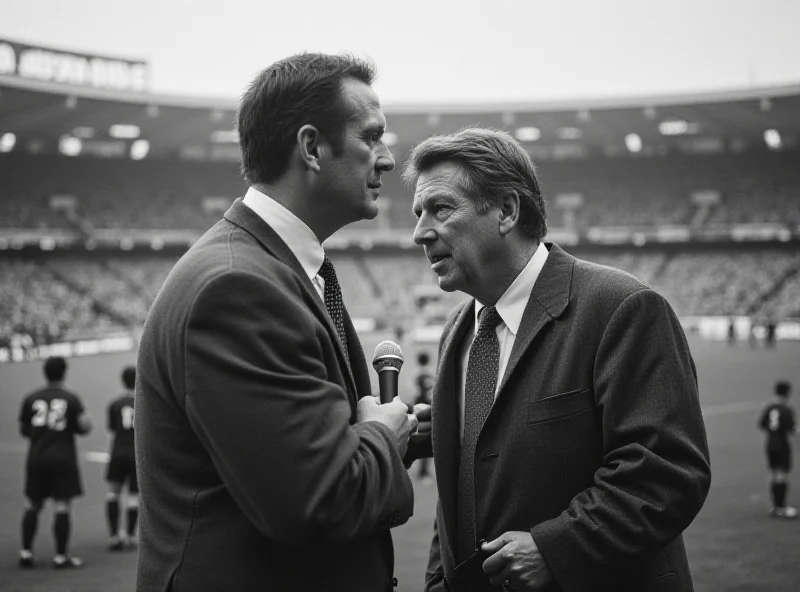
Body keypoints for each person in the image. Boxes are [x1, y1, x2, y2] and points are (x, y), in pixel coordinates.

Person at [135, 53, 424, 592]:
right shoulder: (237, 288)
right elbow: (319, 502)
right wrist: (384, 435)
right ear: (311, 148)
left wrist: (412, 428)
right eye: (372, 137)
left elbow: (309, 436)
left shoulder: (272, 268)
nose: (387, 159)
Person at [404, 128, 711, 592]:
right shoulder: (459, 331)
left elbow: (665, 472)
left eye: (441, 208)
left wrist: (557, 548)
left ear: (507, 211)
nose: (419, 232)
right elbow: (461, 490)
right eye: (418, 213)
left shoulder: (619, 307)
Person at [17, 356, 92, 569]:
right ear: (64, 372)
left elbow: (24, 430)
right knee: (62, 505)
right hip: (63, 458)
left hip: (37, 458)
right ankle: (60, 556)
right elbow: (84, 427)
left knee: (32, 504)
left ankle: (26, 552)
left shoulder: (31, 398)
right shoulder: (70, 398)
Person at [105, 365, 138, 550]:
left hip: (117, 452)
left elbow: (111, 428)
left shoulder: (115, 404)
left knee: (112, 493)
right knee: (133, 496)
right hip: (135, 453)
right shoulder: (143, 402)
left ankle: (113, 536)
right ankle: (131, 536)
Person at [758, 381, 796, 518]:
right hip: (782, 445)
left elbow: (762, 424)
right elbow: (791, 428)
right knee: (781, 475)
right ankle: (781, 507)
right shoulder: (787, 409)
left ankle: (775, 507)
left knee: (775, 474)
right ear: (788, 392)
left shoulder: (770, 408)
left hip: (770, 444)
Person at [414, 351, 434, 482]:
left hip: (418, 412)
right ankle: (424, 473)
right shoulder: (429, 375)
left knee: (421, 440)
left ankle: (423, 472)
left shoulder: (416, 375)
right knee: (427, 441)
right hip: (428, 412)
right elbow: (431, 395)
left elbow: (414, 393)